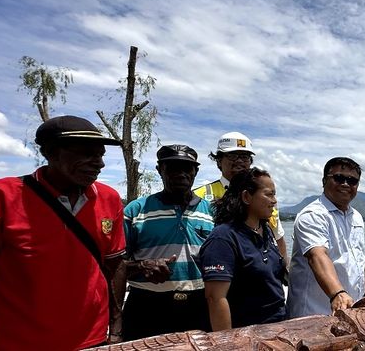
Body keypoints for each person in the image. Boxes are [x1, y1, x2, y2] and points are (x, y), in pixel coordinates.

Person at [0, 115, 125, 350]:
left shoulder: (109, 199)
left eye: (99, 155)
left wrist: (115, 333)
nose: (99, 163)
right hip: (17, 342)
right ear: (49, 152)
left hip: (93, 340)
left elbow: (115, 266)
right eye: (85, 152)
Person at [119, 145, 213, 340]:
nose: (180, 174)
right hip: (146, 307)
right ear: (159, 170)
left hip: (200, 305)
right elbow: (115, 266)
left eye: (187, 168)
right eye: (172, 167)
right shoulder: (135, 210)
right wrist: (142, 266)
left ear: (195, 171)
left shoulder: (212, 212)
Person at [199, 168, 286, 330]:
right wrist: (227, 343)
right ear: (246, 197)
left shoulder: (266, 231)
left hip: (277, 326)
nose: (274, 201)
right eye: (269, 194)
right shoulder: (223, 238)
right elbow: (215, 298)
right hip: (247, 331)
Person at [287, 157, 365, 317]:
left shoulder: (356, 216)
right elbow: (317, 255)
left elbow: (358, 258)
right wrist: (337, 293)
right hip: (314, 312)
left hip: (349, 309)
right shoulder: (313, 215)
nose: (345, 184)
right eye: (339, 178)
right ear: (324, 181)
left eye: (352, 181)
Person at [193, 132, 287, 263]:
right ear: (219, 161)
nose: (239, 161)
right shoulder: (198, 196)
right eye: (232, 156)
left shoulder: (265, 197)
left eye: (245, 157)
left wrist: (282, 272)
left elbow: (278, 237)